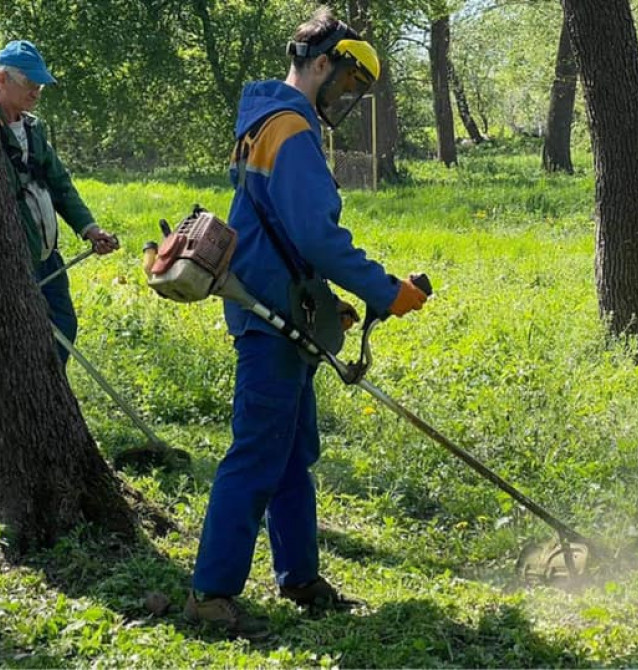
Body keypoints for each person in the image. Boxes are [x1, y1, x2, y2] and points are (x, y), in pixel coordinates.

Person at [185, 7, 428, 637]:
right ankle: (211, 594)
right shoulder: (290, 130)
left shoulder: (264, 122)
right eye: (346, 82)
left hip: (281, 307)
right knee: (256, 455)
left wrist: (322, 300)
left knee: (294, 453)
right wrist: (384, 291)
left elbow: (279, 232)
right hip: (268, 318)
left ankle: (299, 577)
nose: (346, 97)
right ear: (320, 64)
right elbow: (316, 235)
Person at [0, 40, 119, 365]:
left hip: (47, 257)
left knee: (63, 323)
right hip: (14, 264)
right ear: (2, 79)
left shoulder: (33, 129)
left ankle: (52, 390)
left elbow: (60, 185)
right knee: (23, 336)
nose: (36, 92)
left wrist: (90, 229)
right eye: (30, 83)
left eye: (40, 85)